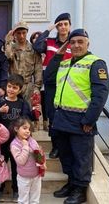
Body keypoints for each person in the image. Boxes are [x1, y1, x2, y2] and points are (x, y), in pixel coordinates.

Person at [45, 29, 109, 204]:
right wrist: (59, 54)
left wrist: (89, 120)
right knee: (66, 155)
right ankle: (71, 184)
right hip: (61, 118)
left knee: (81, 157)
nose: (76, 45)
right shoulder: (65, 63)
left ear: (88, 43)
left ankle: (80, 190)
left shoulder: (96, 63)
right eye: (72, 42)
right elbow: (48, 77)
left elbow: (100, 95)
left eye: (80, 42)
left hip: (81, 120)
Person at [0, 74, 38, 199]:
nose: (11, 89)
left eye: (14, 88)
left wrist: (35, 113)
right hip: (2, 141)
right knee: (1, 163)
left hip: (17, 142)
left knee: (17, 166)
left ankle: (16, 190)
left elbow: (27, 118)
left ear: (20, 90)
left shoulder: (22, 103)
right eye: (9, 86)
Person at [33, 13, 73, 159]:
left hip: (68, 85)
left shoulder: (73, 42)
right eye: (60, 24)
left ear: (69, 26)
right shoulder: (49, 42)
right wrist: (47, 30)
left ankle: (66, 146)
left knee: (67, 115)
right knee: (52, 116)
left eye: (65, 24)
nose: (62, 27)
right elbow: (37, 47)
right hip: (51, 84)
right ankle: (56, 146)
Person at [5, 21, 43, 104]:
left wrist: (37, 87)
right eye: (18, 33)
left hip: (28, 86)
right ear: (14, 34)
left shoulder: (33, 49)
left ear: (27, 33)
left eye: (24, 33)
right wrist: (8, 42)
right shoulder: (11, 48)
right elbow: (8, 56)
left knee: (33, 112)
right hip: (14, 86)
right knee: (13, 112)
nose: (21, 36)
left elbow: (38, 69)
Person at [10, 118, 45, 204]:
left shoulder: (32, 140)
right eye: (24, 128)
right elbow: (20, 161)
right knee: (23, 201)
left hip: (36, 176)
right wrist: (25, 147)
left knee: (35, 200)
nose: (28, 131)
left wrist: (43, 163)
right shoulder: (14, 145)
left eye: (29, 129)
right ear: (16, 129)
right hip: (23, 178)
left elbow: (39, 154)